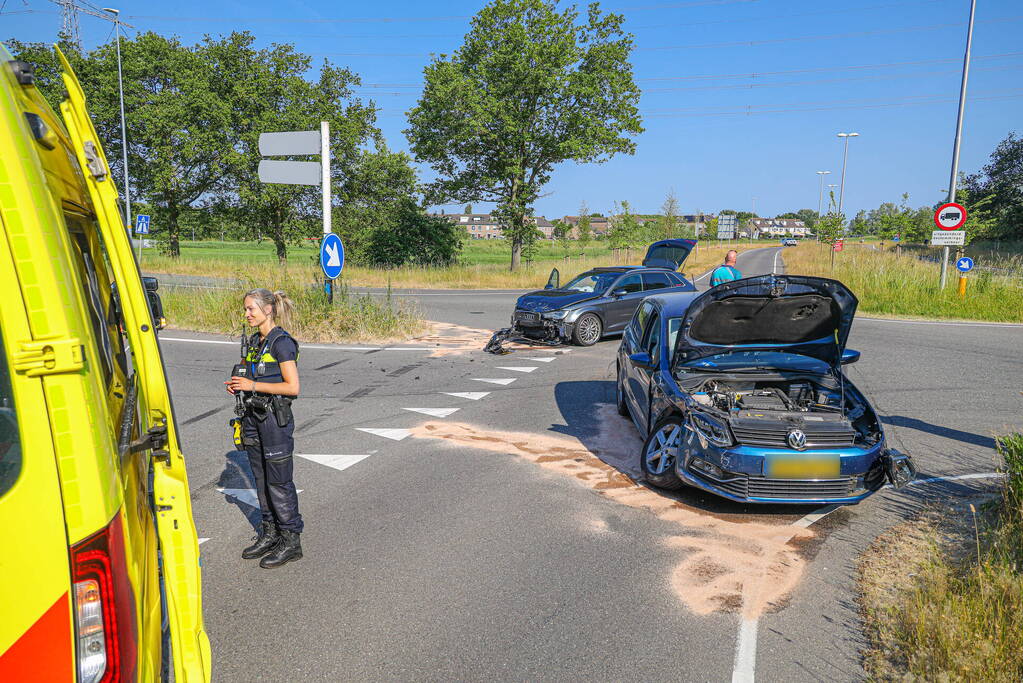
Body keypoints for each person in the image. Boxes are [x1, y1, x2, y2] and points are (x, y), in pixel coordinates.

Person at [225, 288, 304, 568]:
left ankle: (291, 540)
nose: (246, 314)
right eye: (245, 309)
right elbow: (252, 374)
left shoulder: (282, 342)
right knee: (260, 480)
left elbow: (292, 387)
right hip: (252, 418)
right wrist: (239, 385)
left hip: (274, 421)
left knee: (279, 482)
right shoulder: (256, 341)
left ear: (268, 309)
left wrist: (253, 385)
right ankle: (270, 533)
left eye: (251, 309)